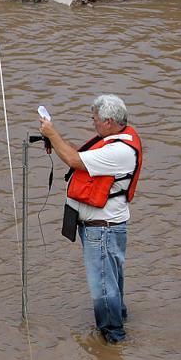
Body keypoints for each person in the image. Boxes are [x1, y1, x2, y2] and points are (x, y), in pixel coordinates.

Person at [37, 94, 143, 344]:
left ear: (108, 122)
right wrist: (57, 139)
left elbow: (74, 160)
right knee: (111, 285)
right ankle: (117, 328)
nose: (92, 123)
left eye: (94, 119)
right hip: (104, 229)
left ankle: (113, 342)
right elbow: (79, 155)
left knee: (103, 289)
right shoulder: (114, 139)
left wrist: (52, 134)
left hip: (102, 231)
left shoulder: (119, 150)